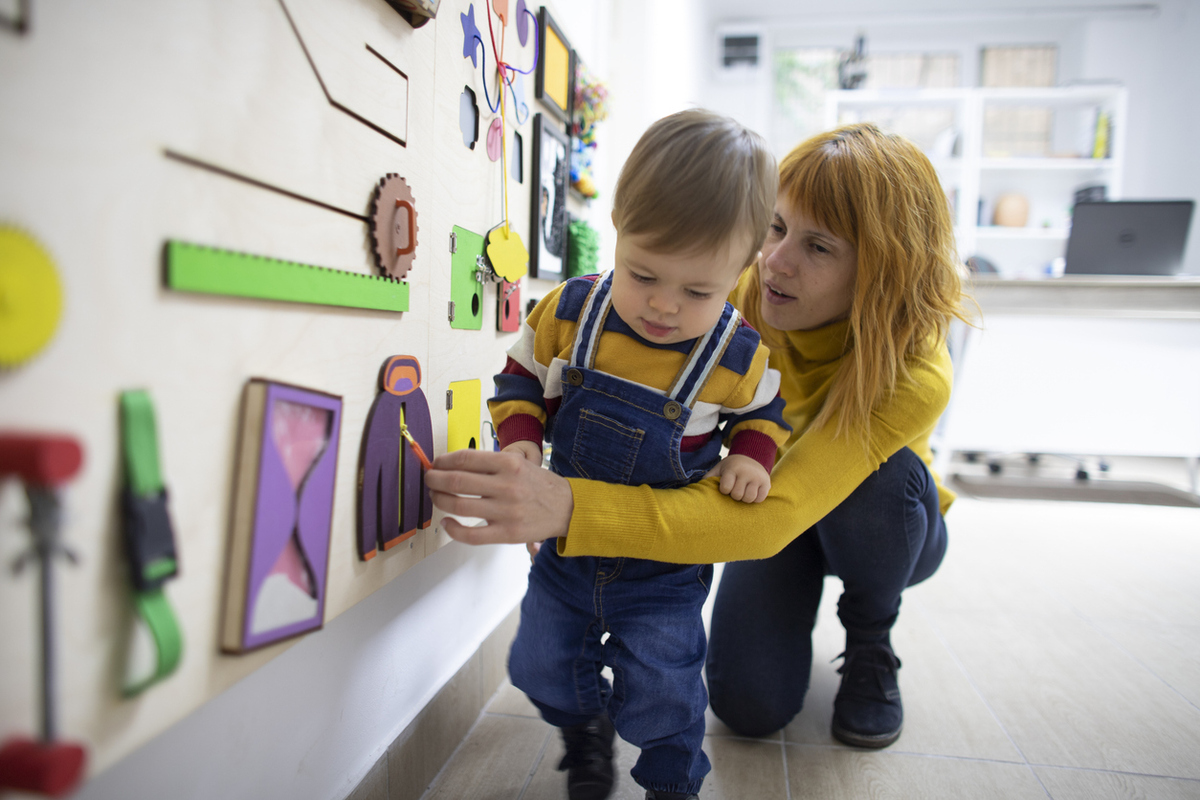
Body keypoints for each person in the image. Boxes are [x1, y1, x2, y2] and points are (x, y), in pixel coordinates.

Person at [428, 122, 967, 760]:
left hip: (880, 529)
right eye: (775, 227)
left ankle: (872, 635)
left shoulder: (917, 373)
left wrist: (571, 507)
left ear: (882, 266)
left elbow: (769, 524)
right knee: (747, 707)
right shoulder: (726, 296)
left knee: (884, 482)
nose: (776, 260)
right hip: (766, 506)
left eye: (818, 247)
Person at [490, 109, 790, 800]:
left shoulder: (736, 356)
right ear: (618, 227)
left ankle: (671, 781)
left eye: (697, 292)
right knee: (538, 662)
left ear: (742, 270)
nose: (661, 306)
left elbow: (765, 416)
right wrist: (522, 441)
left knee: (663, 688)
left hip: (664, 569)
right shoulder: (569, 311)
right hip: (566, 553)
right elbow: (520, 378)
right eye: (642, 274)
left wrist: (750, 457)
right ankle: (586, 735)